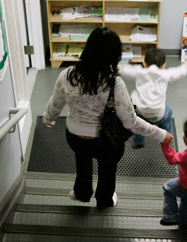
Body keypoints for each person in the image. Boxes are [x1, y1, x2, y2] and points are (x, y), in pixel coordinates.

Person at [43, 27, 174, 207]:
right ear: (114, 55)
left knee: (82, 162)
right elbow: (131, 122)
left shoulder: (67, 75)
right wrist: (160, 134)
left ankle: (81, 193)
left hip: (75, 137)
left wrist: (47, 117)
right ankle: (104, 200)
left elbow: (55, 104)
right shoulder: (114, 83)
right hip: (105, 141)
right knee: (107, 170)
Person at [119, 48, 187, 149]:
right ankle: (167, 138)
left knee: (137, 126)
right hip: (159, 114)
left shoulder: (138, 71)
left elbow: (121, 68)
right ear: (164, 65)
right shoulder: (166, 74)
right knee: (168, 112)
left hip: (141, 114)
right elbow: (182, 70)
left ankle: (138, 143)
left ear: (144, 63)